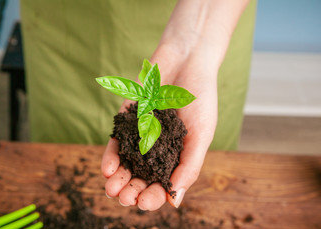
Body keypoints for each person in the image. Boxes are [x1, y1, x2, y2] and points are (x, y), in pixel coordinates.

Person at [21, 0, 256, 211]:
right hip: (67, 26)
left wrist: (196, 40)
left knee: (212, 189)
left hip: (215, 15)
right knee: (58, 164)